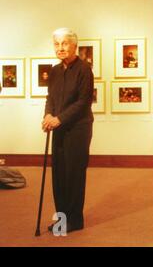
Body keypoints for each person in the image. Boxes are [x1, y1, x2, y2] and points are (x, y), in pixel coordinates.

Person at [42, 28, 94, 233]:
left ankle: (75, 220)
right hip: (59, 127)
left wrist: (59, 119)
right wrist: (47, 115)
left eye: (64, 43)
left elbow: (83, 102)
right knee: (59, 176)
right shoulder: (55, 71)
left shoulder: (84, 70)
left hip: (78, 129)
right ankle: (61, 218)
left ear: (74, 46)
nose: (60, 48)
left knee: (73, 175)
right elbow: (51, 98)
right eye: (57, 44)